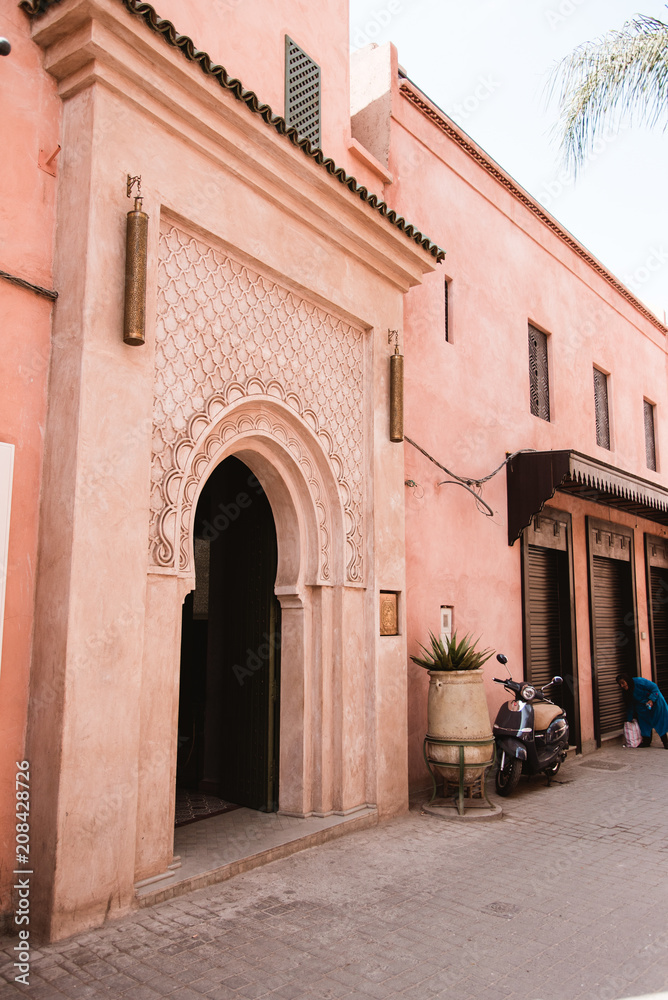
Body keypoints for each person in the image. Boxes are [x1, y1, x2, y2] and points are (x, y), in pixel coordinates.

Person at [616, 673, 668, 748]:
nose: (622, 686)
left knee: (659, 722)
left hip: (655, 703)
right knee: (644, 724)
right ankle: (647, 741)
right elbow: (630, 706)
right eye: (620, 684)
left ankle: (665, 742)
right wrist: (629, 719)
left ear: (627, 681)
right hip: (642, 708)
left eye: (623, 683)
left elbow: (654, 687)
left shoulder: (639, 681)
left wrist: (651, 699)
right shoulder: (626, 693)